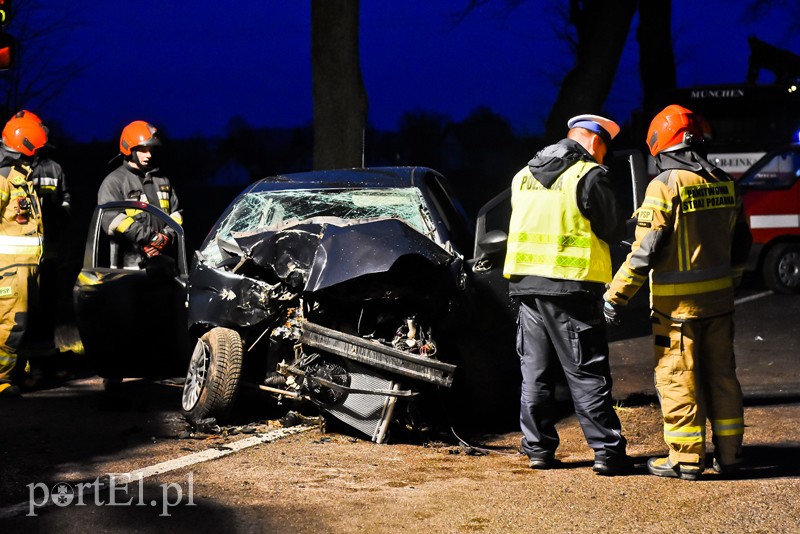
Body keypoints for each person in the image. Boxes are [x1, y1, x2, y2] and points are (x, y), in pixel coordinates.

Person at [603, 105, 752, 480]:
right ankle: (731, 455)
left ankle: (685, 460)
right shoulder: (725, 181)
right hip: (719, 305)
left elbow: (646, 250)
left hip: (678, 311)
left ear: (662, 147)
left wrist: (615, 295)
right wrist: (730, 283)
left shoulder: (665, 185)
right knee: (722, 377)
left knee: (677, 378)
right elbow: (742, 244)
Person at [503, 113, 630, 475]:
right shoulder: (589, 175)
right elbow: (610, 228)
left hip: (527, 287)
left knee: (535, 373)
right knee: (587, 372)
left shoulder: (523, 176)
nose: (603, 157)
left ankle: (538, 450)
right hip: (571, 287)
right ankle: (607, 452)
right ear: (594, 141)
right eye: (604, 149)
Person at [0, 115, 48, 398]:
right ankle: (2, 379)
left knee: (23, 325)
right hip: (9, 270)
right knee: (10, 324)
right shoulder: (4, 178)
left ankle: (16, 375)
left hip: (27, 268)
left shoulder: (20, 176)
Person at [97, 120, 181, 268]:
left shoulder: (162, 180)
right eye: (143, 149)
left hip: (164, 264)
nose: (149, 154)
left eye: (151, 149)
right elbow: (112, 221)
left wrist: (166, 237)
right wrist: (151, 238)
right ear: (129, 149)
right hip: (128, 266)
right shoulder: (114, 181)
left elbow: (176, 214)